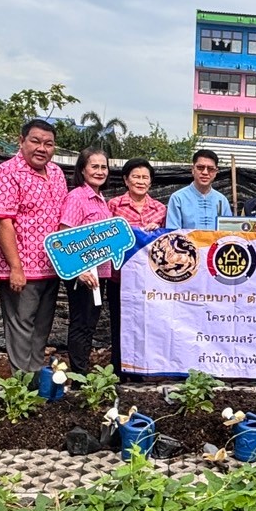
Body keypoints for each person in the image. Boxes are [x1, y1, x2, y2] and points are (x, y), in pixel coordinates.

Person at [0, 118, 68, 375]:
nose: (42, 148)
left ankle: (37, 380)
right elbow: (3, 222)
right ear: (21, 141)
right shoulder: (7, 173)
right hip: (21, 267)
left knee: (42, 326)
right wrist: (15, 267)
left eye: (48, 144)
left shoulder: (56, 173)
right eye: (35, 141)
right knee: (21, 325)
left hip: (51, 267)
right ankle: (21, 384)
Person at [58, 147, 115, 373]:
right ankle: (78, 375)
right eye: (95, 166)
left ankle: (82, 371)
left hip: (100, 273)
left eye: (104, 167)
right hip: (83, 275)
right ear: (83, 170)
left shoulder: (100, 199)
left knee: (90, 323)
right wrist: (78, 271)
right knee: (81, 323)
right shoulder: (77, 198)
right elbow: (63, 237)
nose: (100, 171)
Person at [109, 158, 165, 374]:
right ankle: (118, 369)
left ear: (150, 182)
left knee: (145, 324)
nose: (140, 181)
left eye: (145, 177)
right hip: (119, 277)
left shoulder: (160, 209)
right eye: (136, 177)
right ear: (126, 180)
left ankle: (142, 370)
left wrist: (156, 231)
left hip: (149, 280)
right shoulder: (113, 205)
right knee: (119, 322)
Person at [166, 149, 232, 230]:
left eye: (210, 169)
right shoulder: (178, 198)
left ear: (216, 172)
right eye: (200, 168)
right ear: (193, 170)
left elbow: (228, 233)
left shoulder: (222, 200)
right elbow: (173, 233)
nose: (205, 172)